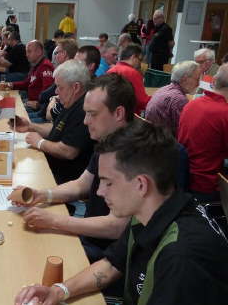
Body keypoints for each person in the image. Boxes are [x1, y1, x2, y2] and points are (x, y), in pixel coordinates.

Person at [15, 120, 228, 305]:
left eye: (107, 182)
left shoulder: (183, 258)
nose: (99, 191)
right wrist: (59, 291)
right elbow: (111, 264)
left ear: (141, 184)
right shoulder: (156, 209)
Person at [13, 74, 135, 263]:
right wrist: (41, 195)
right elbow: (81, 185)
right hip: (89, 235)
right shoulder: (109, 140)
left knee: (26, 253)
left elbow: (117, 226)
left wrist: (55, 220)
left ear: (118, 113)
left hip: (107, 253)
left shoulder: (137, 154)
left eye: (92, 114)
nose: (85, 121)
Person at [12, 60, 93, 185]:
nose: (56, 92)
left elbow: (68, 151)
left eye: (60, 87)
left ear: (76, 87)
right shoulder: (71, 102)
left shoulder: (83, 110)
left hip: (60, 179)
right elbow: (57, 129)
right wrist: (30, 126)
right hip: (49, 167)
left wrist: (40, 143)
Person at [178, 63, 228, 202]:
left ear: (214, 81)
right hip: (207, 187)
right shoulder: (224, 113)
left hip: (183, 178)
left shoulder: (192, 104)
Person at [145, 61, 200, 136]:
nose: (198, 84)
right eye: (197, 79)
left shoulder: (164, 88)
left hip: (150, 135)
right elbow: (184, 131)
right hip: (162, 139)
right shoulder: (179, 100)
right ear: (184, 79)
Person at [0, 40, 54, 109]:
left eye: (29, 51)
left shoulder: (45, 66)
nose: (27, 55)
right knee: (4, 103)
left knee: (8, 109)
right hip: (29, 100)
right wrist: (11, 85)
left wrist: (39, 104)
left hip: (37, 106)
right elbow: (27, 83)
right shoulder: (36, 64)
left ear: (39, 52)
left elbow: (48, 91)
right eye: (26, 52)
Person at [107, 44, 150, 114]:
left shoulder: (111, 70)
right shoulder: (132, 73)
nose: (140, 63)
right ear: (133, 57)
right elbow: (142, 101)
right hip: (129, 116)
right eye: (140, 60)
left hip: (112, 113)